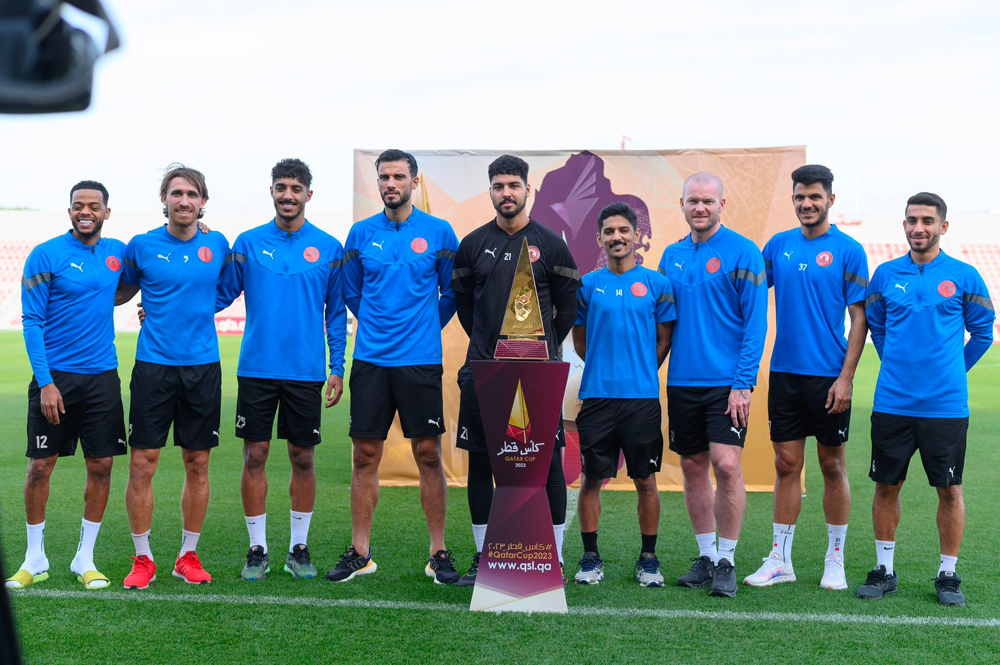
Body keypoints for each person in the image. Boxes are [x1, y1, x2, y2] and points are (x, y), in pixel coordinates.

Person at [326, 149, 459, 584]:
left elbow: (451, 294)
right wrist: (382, 327)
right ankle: (360, 551)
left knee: (427, 453)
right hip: (371, 361)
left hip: (420, 362)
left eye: (399, 176)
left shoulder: (440, 232)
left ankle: (438, 551)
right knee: (365, 455)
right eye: (384, 177)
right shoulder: (360, 234)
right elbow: (351, 292)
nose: (390, 184)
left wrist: (421, 328)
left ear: (414, 182)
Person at [451, 154, 582, 587]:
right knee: (482, 464)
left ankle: (555, 558)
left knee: (547, 467)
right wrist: (491, 349)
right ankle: (482, 557)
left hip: (538, 375)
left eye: (513, 185)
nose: (506, 193)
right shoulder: (471, 245)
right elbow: (467, 311)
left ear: (528, 190)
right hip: (484, 370)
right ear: (490, 191)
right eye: (498, 186)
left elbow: (566, 311)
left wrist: (537, 351)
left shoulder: (552, 244)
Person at [859, 192, 994, 606]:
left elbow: (983, 333)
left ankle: (948, 574)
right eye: (912, 220)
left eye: (928, 221)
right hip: (892, 404)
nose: (919, 228)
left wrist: (950, 372)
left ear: (943, 227)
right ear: (904, 225)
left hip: (945, 407)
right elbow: (877, 329)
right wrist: (896, 366)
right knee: (886, 486)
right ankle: (885, 570)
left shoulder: (966, 275)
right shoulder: (884, 275)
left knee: (950, 490)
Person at [215, 158, 346, 582]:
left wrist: (337, 366)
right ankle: (258, 548)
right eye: (280, 187)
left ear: (309, 194)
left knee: (302, 457)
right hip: (256, 368)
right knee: (255, 455)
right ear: (271, 191)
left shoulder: (329, 247)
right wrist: (162, 308)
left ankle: (297, 547)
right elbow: (217, 294)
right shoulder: (248, 243)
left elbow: (336, 314)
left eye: (295, 188)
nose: (287, 195)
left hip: (306, 371)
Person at [744, 165, 868, 591]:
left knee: (832, 465)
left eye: (814, 196)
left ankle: (836, 558)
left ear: (830, 200)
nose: (806, 204)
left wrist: (846, 377)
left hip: (829, 378)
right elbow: (747, 292)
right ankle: (780, 558)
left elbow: (859, 318)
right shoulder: (778, 246)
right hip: (784, 376)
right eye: (800, 197)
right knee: (786, 465)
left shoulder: (849, 251)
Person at [6, 181, 127, 590]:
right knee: (41, 466)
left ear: (106, 212)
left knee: (103, 465)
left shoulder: (117, 254)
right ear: (70, 211)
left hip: (103, 378)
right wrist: (46, 383)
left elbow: (134, 283)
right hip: (55, 378)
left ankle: (84, 558)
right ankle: (34, 557)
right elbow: (32, 321)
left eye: (94, 205)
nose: (86, 211)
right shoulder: (47, 254)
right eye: (78, 205)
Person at [116, 164, 230, 589]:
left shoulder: (218, 244)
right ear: (163, 199)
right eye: (176, 193)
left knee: (198, 463)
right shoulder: (141, 246)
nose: (184, 201)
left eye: (192, 194)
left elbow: (228, 288)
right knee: (143, 463)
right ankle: (143, 558)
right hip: (153, 368)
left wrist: (195, 310)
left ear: (203, 202)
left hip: (202, 367)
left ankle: (187, 554)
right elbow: (120, 290)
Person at [657, 172, 767, 598]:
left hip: (728, 384)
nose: (699, 207)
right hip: (683, 380)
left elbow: (755, 325)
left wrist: (743, 385)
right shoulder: (671, 255)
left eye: (707, 200)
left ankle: (727, 560)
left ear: (722, 204)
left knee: (727, 464)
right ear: (681, 204)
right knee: (691, 466)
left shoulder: (743, 251)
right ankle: (705, 556)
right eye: (692, 201)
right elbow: (663, 323)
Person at [571, 202, 675, 587]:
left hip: (641, 400)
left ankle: (648, 558)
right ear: (599, 239)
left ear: (636, 237)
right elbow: (581, 340)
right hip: (597, 397)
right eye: (609, 232)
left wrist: (642, 370)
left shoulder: (657, 284)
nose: (617, 237)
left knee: (645, 480)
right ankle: (590, 556)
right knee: (592, 479)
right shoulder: (587, 285)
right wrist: (604, 365)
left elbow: (664, 338)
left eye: (623, 231)